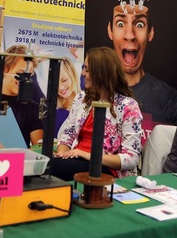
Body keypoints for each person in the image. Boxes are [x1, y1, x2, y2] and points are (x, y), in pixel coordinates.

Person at [50, 46, 144, 181]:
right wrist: (62, 156)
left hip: (108, 170)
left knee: (49, 167)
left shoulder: (128, 107)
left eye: (87, 70)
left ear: (101, 74)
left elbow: (131, 159)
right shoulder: (81, 98)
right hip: (78, 161)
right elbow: (68, 135)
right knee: (45, 165)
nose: (82, 73)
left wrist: (84, 154)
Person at [108, 4, 177, 125]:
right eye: (120, 24)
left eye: (139, 25)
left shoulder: (169, 98)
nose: (130, 35)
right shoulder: (97, 91)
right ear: (110, 31)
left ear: (150, 33)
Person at [1, 45, 43, 146]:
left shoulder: (32, 108)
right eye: (20, 73)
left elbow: (38, 147)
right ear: (5, 69)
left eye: (29, 75)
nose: (25, 79)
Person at [55, 57, 80, 136]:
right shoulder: (56, 113)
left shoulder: (87, 103)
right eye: (56, 83)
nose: (60, 87)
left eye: (64, 80)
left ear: (72, 75)